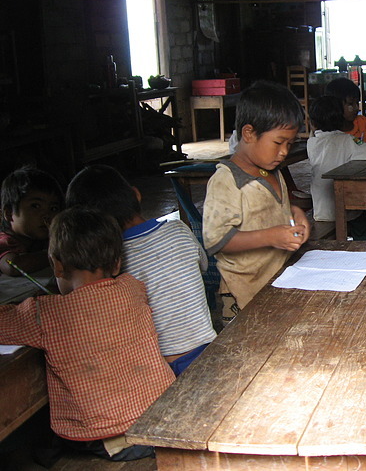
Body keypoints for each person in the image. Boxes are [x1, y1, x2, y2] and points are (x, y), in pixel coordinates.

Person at [0, 207, 174, 461]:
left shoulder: (45, 313)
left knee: (35, 437)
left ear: (57, 267)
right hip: (161, 413)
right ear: (116, 263)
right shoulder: (132, 288)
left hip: (107, 436)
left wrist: (30, 304)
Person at [65, 165, 216, 375]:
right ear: (136, 195)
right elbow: (203, 266)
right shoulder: (179, 230)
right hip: (210, 348)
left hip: (162, 366)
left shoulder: (114, 263)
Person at [203, 80, 311, 324]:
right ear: (249, 133)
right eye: (278, 142)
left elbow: (275, 208)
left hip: (278, 281)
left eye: (290, 144)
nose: (284, 152)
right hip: (243, 293)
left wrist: (296, 214)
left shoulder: (270, 171)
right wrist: (271, 237)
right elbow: (216, 240)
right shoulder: (226, 181)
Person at [307, 95, 366, 223]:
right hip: (345, 214)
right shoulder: (347, 140)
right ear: (341, 119)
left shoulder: (311, 143)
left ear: (312, 123)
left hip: (321, 212)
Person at [0, 166, 62, 276]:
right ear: (9, 213)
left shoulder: (42, 239)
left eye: (53, 208)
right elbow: (13, 266)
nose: (46, 215)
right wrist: (57, 253)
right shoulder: (5, 242)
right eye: (35, 206)